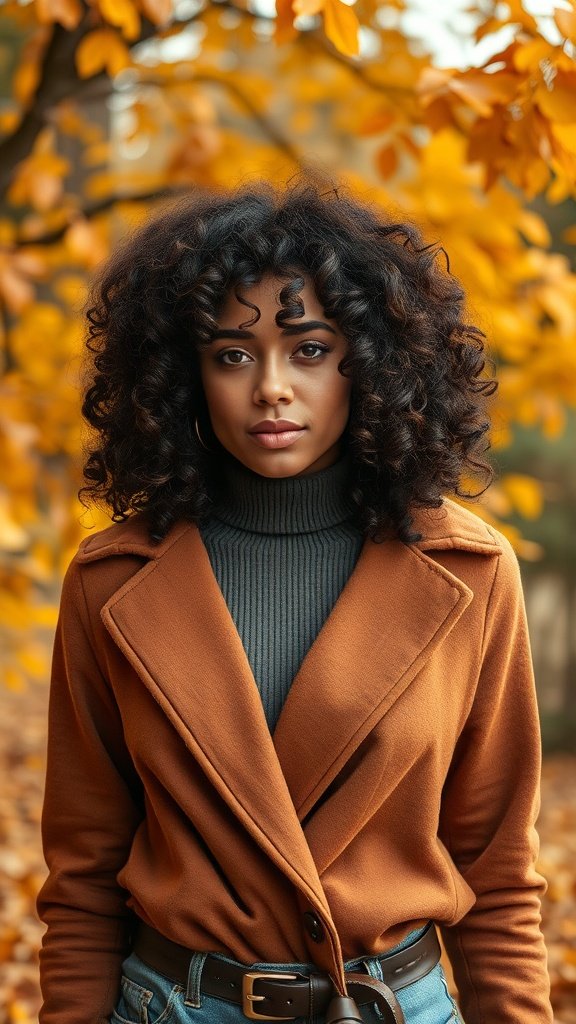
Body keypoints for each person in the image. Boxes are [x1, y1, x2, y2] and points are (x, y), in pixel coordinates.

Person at [37, 180, 553, 1024]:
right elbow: (83, 878)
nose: (271, 387)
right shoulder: (109, 581)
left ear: (373, 363)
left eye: (309, 349)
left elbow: (497, 875)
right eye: (232, 355)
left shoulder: (470, 572)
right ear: (184, 376)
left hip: (395, 1005)